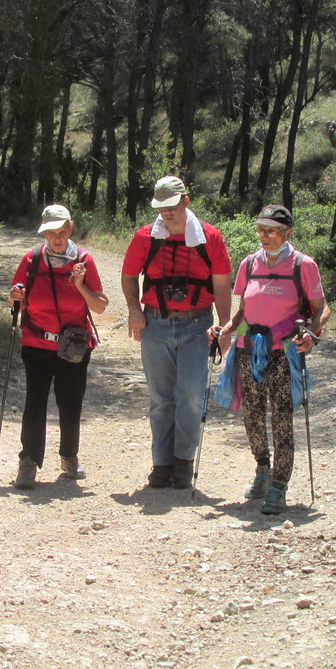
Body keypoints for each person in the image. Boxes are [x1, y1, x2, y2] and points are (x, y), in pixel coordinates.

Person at [211, 204, 331, 514]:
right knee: (251, 417)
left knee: (280, 419)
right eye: (261, 229)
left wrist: (312, 335)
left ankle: (279, 485)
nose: (264, 235)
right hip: (249, 349)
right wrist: (224, 330)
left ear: (287, 233)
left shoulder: (303, 265)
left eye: (272, 231)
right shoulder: (249, 264)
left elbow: (321, 309)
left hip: (283, 352)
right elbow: (241, 311)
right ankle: (262, 469)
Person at [121, 176, 232, 489]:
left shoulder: (209, 237)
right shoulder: (145, 237)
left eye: (172, 205)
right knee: (161, 399)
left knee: (192, 396)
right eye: (161, 207)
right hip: (155, 324)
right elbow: (129, 276)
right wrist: (134, 310)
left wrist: (223, 325)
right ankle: (162, 463)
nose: (167, 212)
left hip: (198, 325)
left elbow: (223, 285)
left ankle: (183, 460)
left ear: (186, 202)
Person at [8, 204, 109, 489]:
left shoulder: (84, 261)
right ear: (44, 232)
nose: (56, 238)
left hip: (73, 345)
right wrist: (15, 296)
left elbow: (100, 307)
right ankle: (28, 462)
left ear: (70, 229)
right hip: (36, 342)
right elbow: (15, 301)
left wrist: (79, 284)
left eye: (61, 232)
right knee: (35, 402)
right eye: (51, 233)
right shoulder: (31, 259)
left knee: (70, 402)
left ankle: (69, 458)